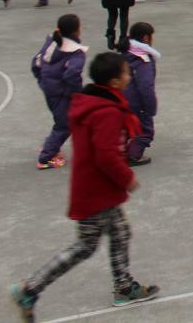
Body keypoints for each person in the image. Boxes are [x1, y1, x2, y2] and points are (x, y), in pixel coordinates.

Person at [11, 52, 159, 319]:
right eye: (126, 72)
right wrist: (127, 179)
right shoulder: (107, 112)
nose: (130, 76)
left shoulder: (93, 101)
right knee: (85, 245)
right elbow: (105, 154)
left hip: (96, 187)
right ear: (114, 82)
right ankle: (30, 289)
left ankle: (124, 286)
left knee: (121, 232)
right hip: (96, 190)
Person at [32, 13, 87, 170]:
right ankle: (46, 158)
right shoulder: (76, 52)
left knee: (60, 120)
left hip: (49, 89)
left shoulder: (51, 42)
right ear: (76, 31)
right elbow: (72, 74)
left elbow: (35, 62)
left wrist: (42, 80)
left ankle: (50, 146)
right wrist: (76, 93)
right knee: (65, 124)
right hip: (62, 93)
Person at [116, 23, 158, 166]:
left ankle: (117, 151)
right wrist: (151, 108)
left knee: (124, 127)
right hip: (136, 102)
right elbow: (146, 86)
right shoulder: (143, 59)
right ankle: (133, 156)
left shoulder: (124, 52)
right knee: (144, 130)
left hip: (119, 98)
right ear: (146, 38)